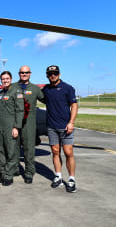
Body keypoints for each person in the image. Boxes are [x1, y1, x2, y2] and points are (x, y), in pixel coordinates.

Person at [42, 65, 78, 193]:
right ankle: (58, 176)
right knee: (55, 152)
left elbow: (74, 105)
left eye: (55, 73)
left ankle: (72, 178)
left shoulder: (68, 88)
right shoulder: (46, 89)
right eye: (50, 74)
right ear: (47, 75)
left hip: (65, 126)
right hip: (52, 126)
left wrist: (71, 122)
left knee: (68, 152)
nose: (53, 75)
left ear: (59, 74)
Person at [13, 65, 45, 184]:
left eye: (26, 72)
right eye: (22, 72)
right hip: (15, 121)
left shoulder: (35, 89)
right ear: (19, 73)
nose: (24, 74)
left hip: (29, 122)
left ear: (30, 74)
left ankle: (29, 172)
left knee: (29, 147)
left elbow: (46, 100)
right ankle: (14, 168)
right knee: (14, 146)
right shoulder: (13, 87)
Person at [0, 71, 24, 186]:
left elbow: (20, 110)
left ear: (11, 79)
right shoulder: (1, 93)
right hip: (0, 125)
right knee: (1, 150)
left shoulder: (16, 92)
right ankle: (3, 172)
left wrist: (16, 127)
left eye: (7, 78)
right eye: (3, 79)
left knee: (11, 150)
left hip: (10, 125)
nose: (5, 81)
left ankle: (9, 175)